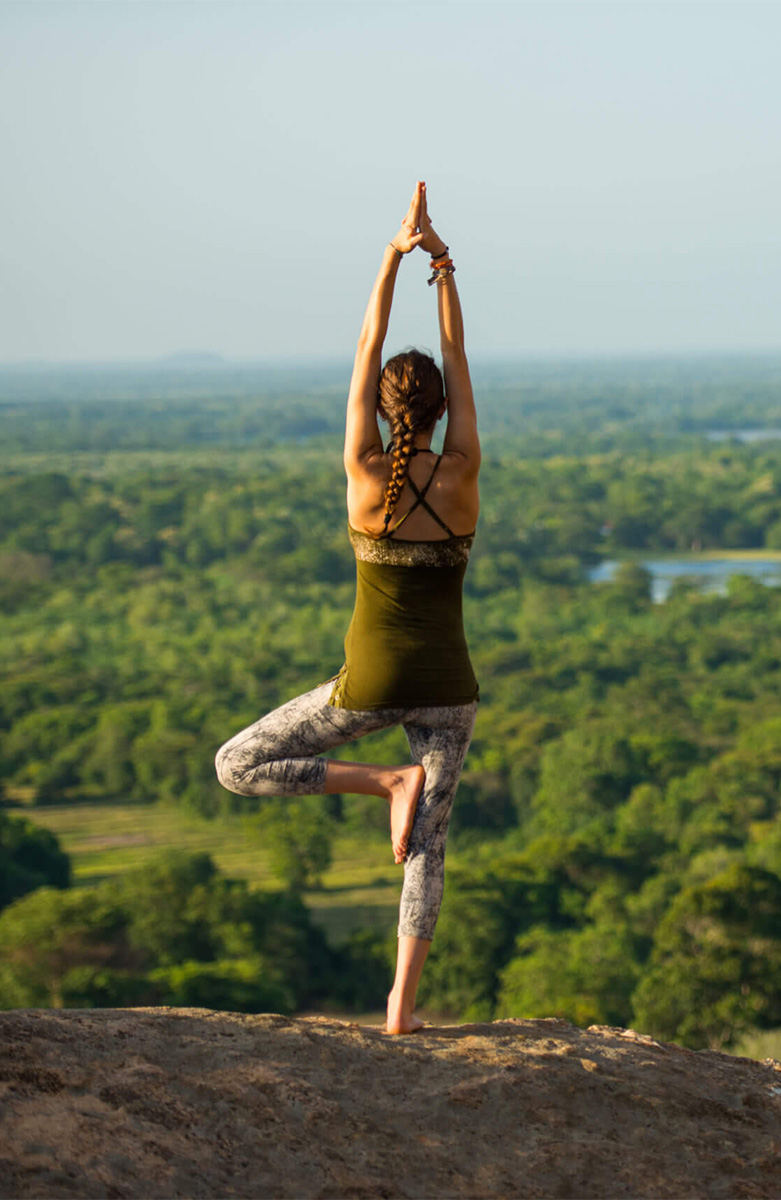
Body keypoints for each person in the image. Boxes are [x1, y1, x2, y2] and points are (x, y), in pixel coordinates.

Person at [214, 182, 480, 1035]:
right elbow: (459, 357)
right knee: (428, 846)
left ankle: (379, 781)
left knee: (236, 764)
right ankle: (400, 1010)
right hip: (450, 686)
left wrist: (392, 254)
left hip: (365, 684)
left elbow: (366, 344)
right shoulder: (464, 471)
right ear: (439, 411)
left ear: (383, 410)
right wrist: (443, 268)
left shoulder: (367, 475)